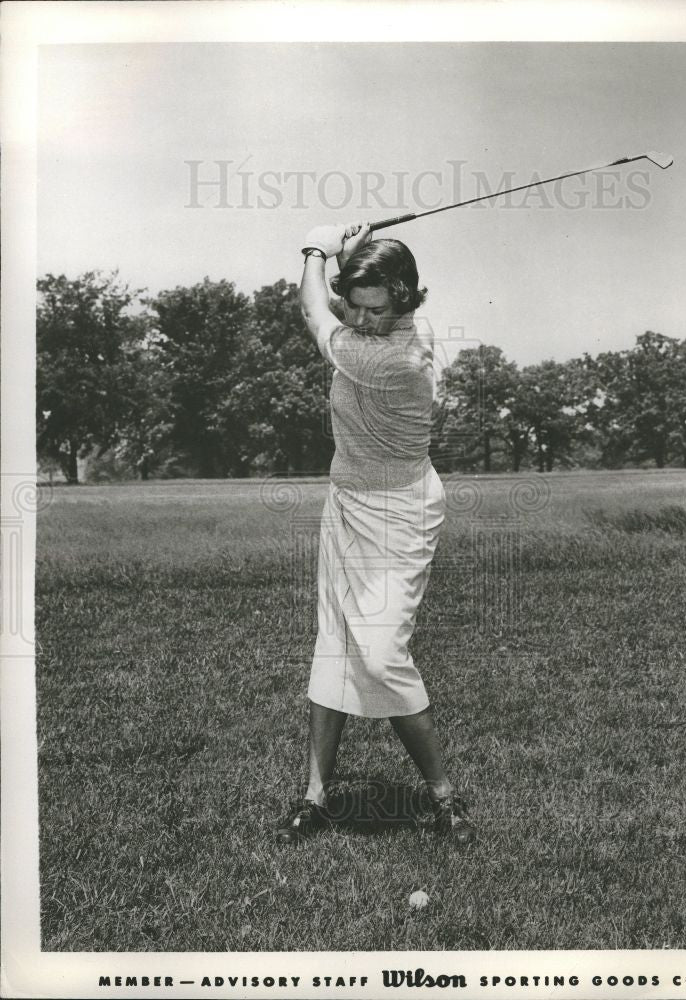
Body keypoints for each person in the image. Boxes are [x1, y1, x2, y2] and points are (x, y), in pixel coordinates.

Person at [275, 222, 474, 848]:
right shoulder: (376, 323)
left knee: (383, 653)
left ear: (406, 296)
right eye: (355, 308)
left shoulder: (396, 356)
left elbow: (314, 310)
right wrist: (348, 255)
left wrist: (315, 248)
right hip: (347, 500)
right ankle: (314, 795)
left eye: (376, 308)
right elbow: (333, 302)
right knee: (333, 642)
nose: (361, 321)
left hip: (400, 511)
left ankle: (444, 797)